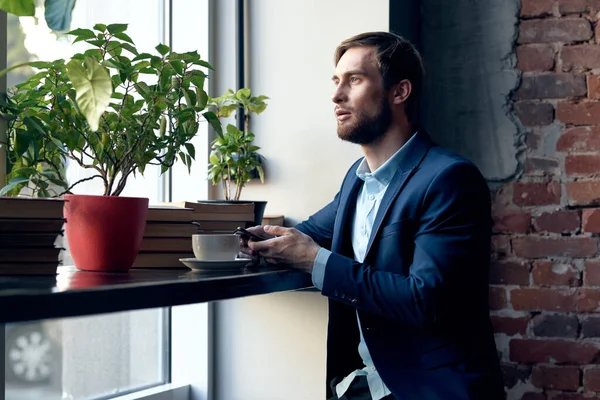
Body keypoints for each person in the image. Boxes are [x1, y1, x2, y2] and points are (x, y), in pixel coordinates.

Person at [240, 31, 505, 400]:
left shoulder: (449, 179)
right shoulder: (357, 178)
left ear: (399, 92)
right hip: (365, 384)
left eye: (355, 80)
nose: (336, 95)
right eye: (336, 81)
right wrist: (248, 238)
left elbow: (425, 300)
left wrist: (315, 260)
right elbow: (307, 234)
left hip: (432, 390)